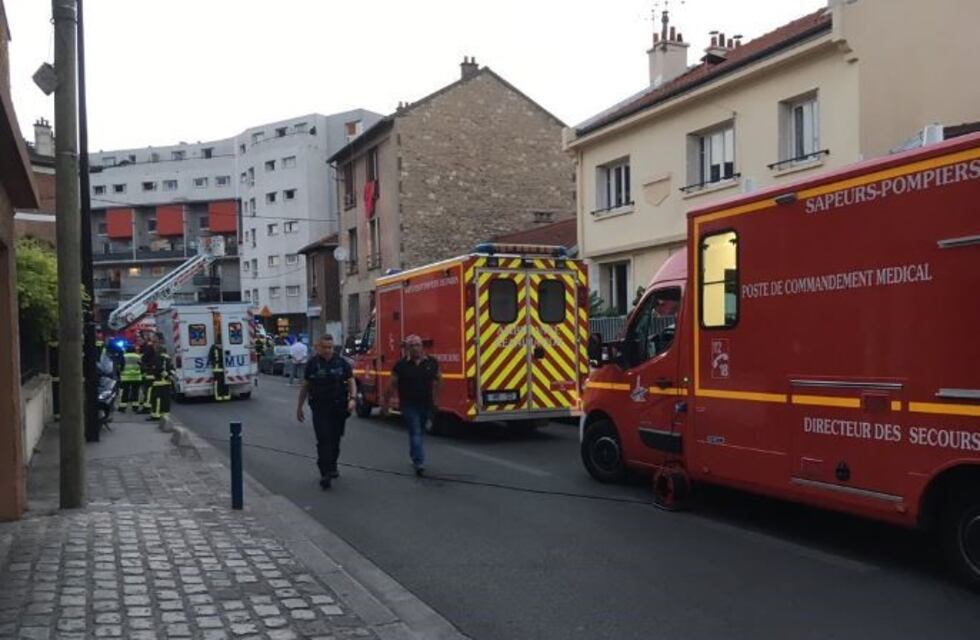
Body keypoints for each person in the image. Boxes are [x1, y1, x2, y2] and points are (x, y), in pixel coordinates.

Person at [296, 334, 356, 489]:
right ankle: (325, 473)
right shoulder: (312, 364)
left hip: (338, 407)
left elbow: (350, 380)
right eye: (325, 347)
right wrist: (299, 407)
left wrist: (353, 399)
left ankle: (332, 465)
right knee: (323, 439)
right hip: (320, 408)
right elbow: (306, 386)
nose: (328, 350)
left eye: (330, 347)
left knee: (335, 439)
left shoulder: (341, 363)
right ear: (319, 347)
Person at [384, 335, 441, 476]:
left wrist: (436, 399)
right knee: (415, 431)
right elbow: (391, 385)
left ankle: (414, 454)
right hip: (409, 405)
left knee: (419, 432)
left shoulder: (432, 363)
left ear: (422, 347)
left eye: (418, 345)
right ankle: (419, 462)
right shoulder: (401, 365)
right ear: (407, 349)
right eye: (412, 345)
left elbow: (439, 380)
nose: (416, 348)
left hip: (426, 404)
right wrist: (386, 403)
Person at [147, 348, 175, 422]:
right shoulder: (169, 359)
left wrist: (165, 376)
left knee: (156, 399)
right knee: (166, 400)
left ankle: (156, 415)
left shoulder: (159, 358)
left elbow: (159, 369)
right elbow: (172, 370)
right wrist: (170, 377)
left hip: (158, 382)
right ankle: (165, 416)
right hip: (167, 383)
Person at [208, 329, 231, 401]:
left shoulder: (213, 347)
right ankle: (226, 396)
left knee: (218, 383)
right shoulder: (226, 346)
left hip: (216, 368)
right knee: (226, 381)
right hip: (225, 368)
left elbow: (210, 357)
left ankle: (219, 396)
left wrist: (213, 362)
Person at [118, 345, 143, 412]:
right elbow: (141, 365)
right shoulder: (138, 356)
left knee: (125, 393)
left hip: (126, 377)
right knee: (135, 392)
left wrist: (120, 372)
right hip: (136, 377)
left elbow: (120, 365)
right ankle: (135, 407)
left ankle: (122, 407)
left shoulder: (124, 356)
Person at [138, 334, 158, 413]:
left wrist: (142, 362)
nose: (138, 342)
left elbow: (144, 358)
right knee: (147, 391)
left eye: (140, 340)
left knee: (148, 391)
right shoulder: (148, 347)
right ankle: (148, 406)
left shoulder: (149, 347)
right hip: (148, 371)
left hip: (149, 371)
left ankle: (147, 408)